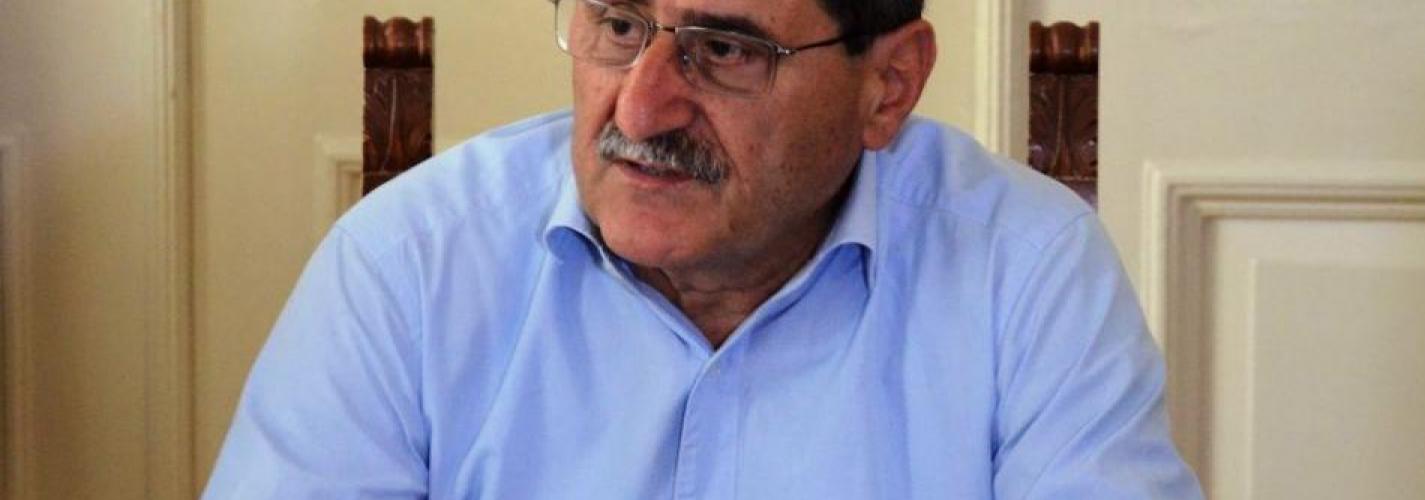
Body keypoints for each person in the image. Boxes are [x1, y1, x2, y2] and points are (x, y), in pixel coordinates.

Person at [205, 0, 1203, 498]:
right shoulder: (410, 263)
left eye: (725, 50)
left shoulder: (1026, 273)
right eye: (619, 24)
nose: (641, 107)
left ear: (888, 85)